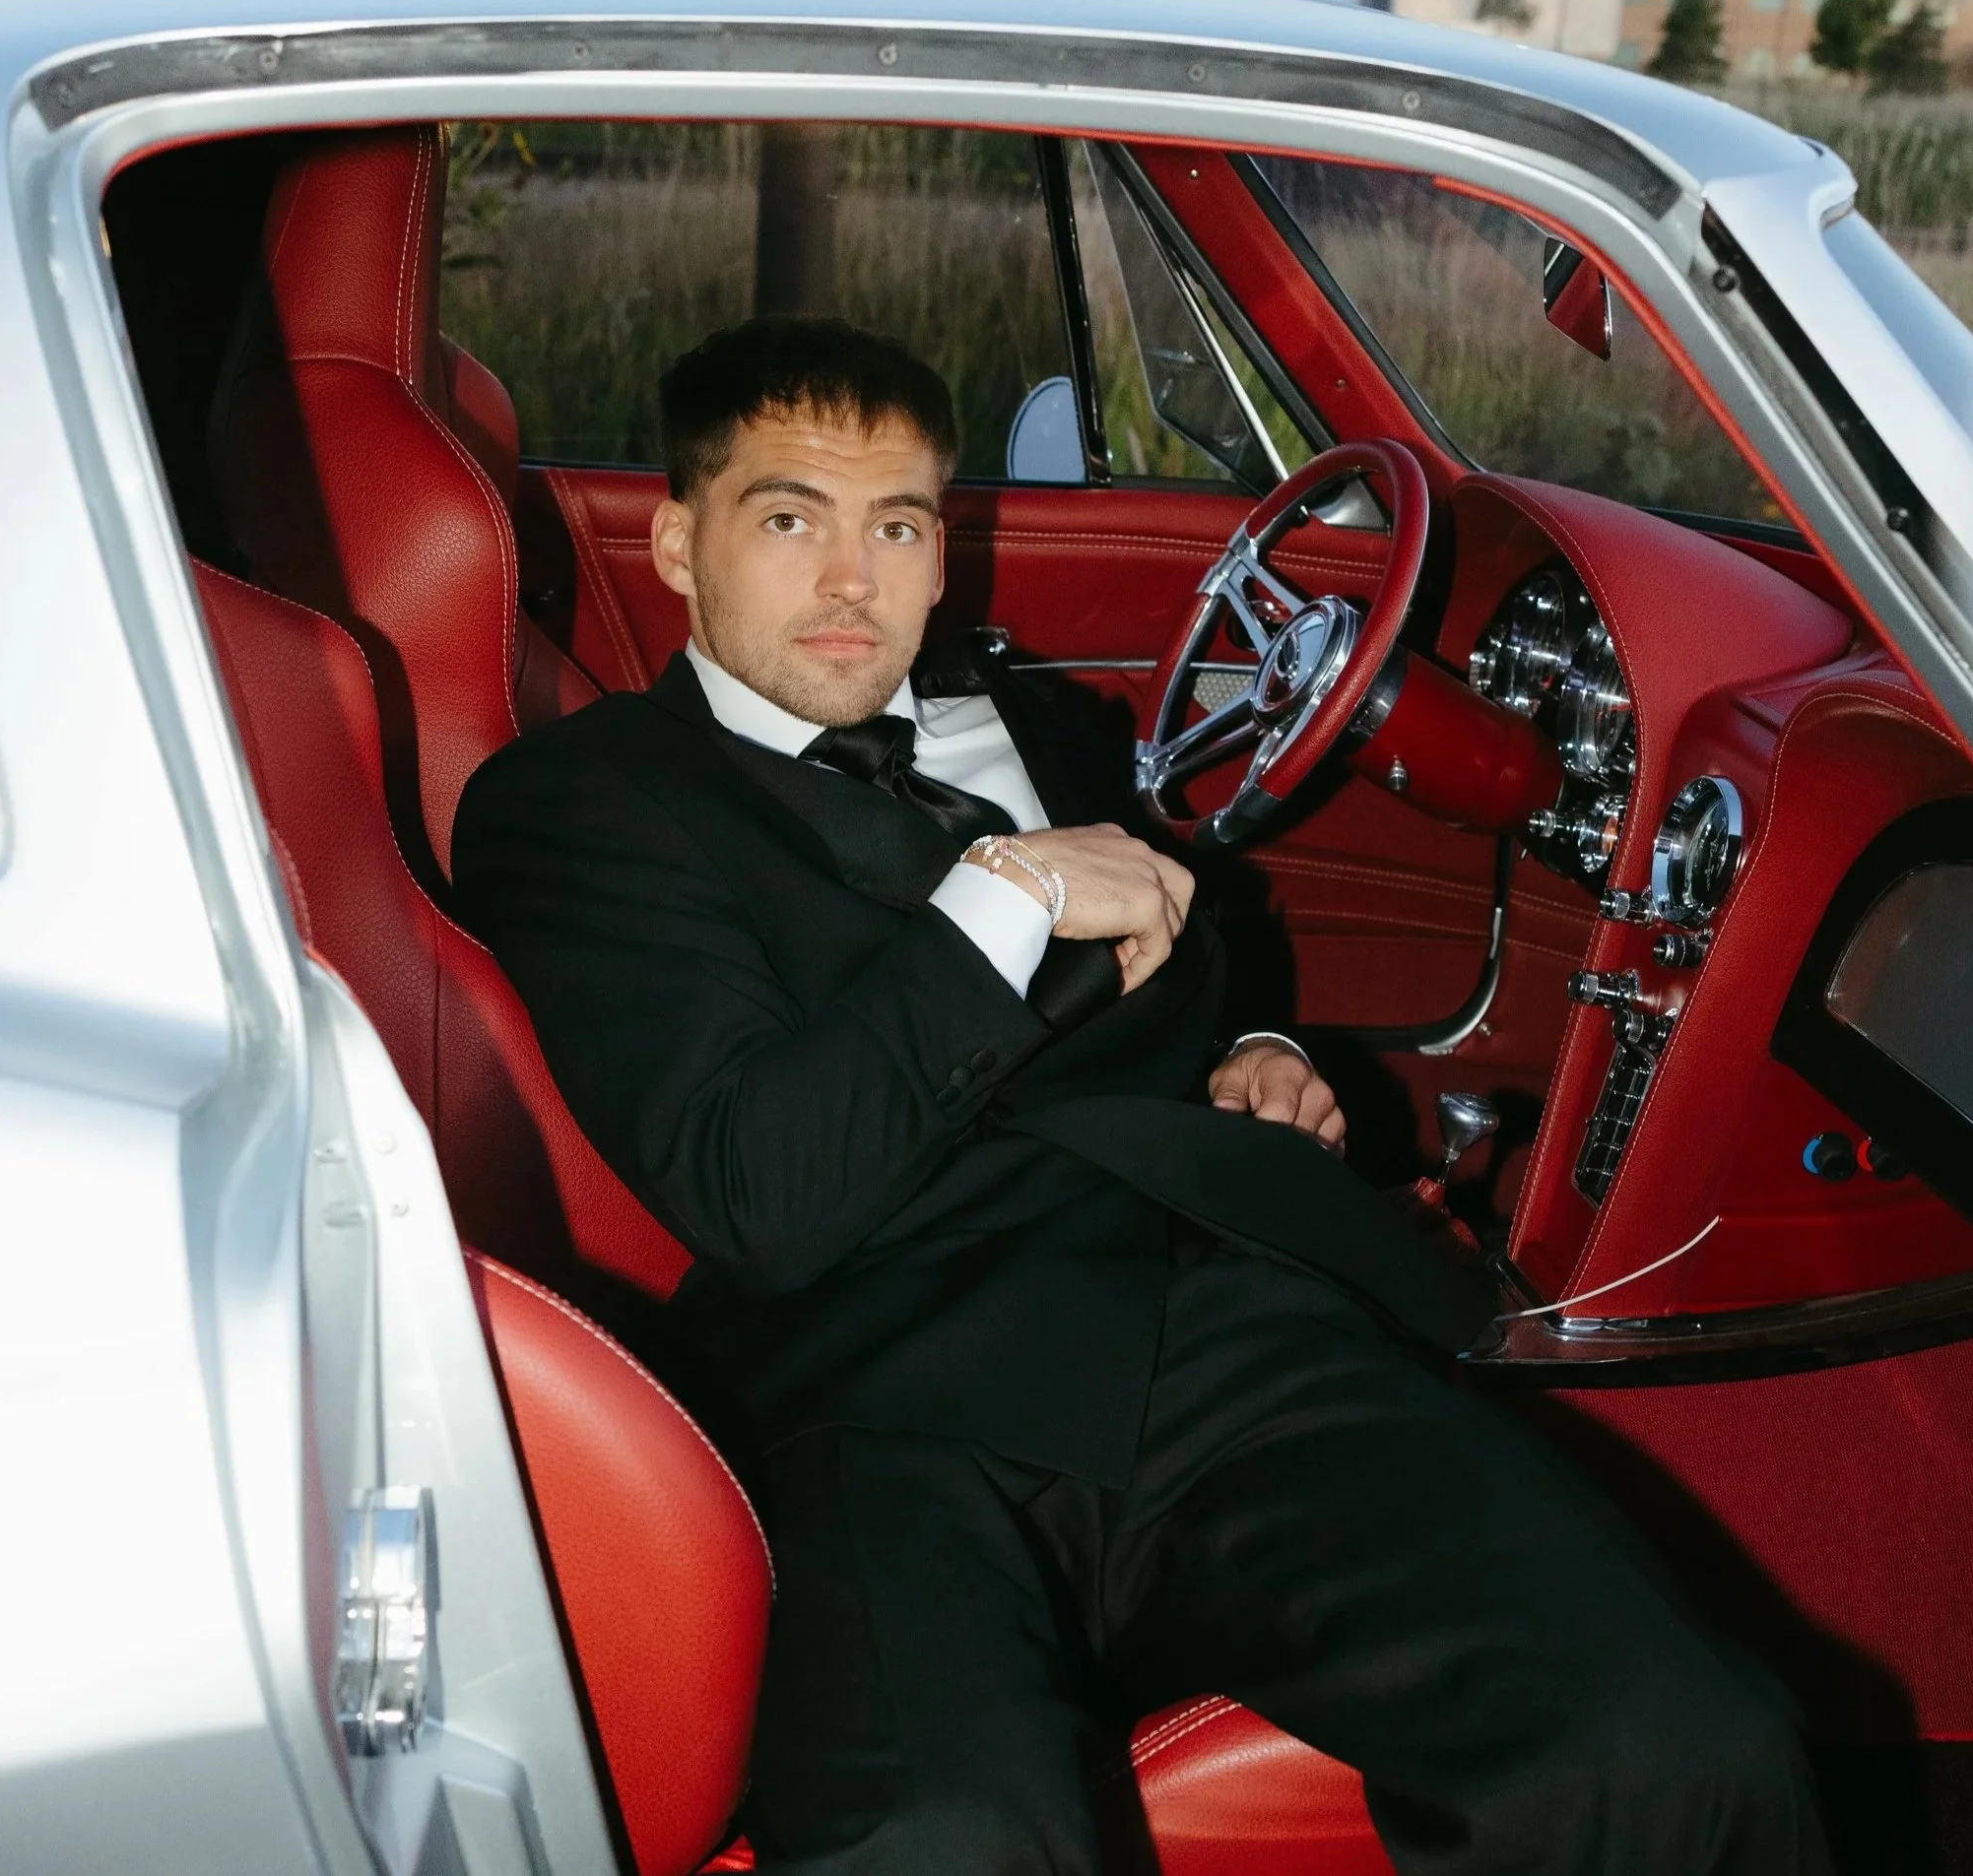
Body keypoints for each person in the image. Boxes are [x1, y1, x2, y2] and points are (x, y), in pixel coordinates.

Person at [451, 315, 1829, 1875]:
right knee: (941, 1840)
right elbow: (753, 1187)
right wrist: (1008, 889)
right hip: (871, 1382)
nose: (850, 581)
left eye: (896, 526)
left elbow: (1189, 944)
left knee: (1676, 1748)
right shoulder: (586, 799)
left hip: (1216, 1330)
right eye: (788, 519)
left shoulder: (1034, 722)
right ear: (676, 545)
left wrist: (1257, 1053)